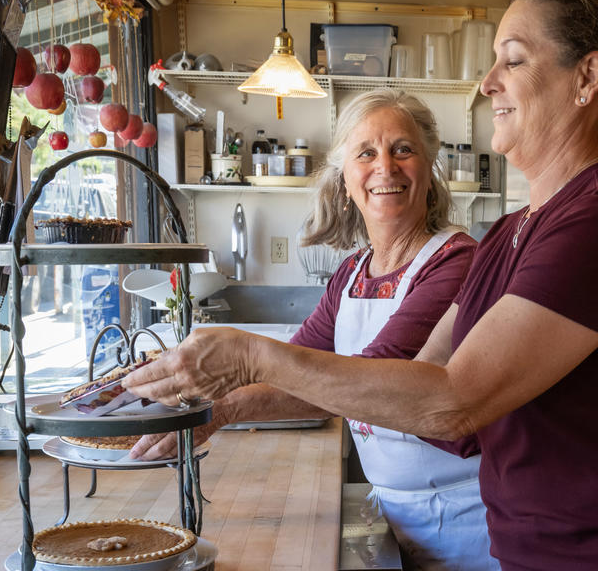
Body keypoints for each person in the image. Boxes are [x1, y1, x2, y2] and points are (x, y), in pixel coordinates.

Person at [125, 0, 598, 570]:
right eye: (494, 61)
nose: (488, 81)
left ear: (587, 77)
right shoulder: (514, 230)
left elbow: (454, 402)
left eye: (513, 61)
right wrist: (219, 403)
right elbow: (424, 377)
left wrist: (254, 359)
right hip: (534, 548)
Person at [131, 89, 495, 571]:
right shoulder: (352, 273)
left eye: (403, 150)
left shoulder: (456, 263)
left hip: (469, 520)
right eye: (366, 153)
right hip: (397, 511)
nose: (385, 167)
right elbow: (301, 374)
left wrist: (243, 360)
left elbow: (372, 377)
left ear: (429, 170)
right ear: (345, 179)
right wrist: (210, 411)